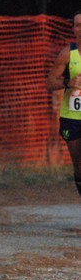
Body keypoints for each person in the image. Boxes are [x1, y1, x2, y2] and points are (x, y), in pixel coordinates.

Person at [46, 11, 81, 199]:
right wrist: (69, 83)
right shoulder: (68, 54)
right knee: (78, 166)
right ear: (73, 28)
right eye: (77, 25)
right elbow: (50, 83)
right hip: (72, 117)